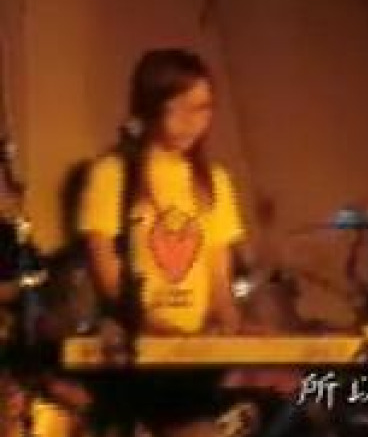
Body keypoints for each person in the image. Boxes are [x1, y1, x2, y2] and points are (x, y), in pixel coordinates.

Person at [79, 48, 245, 436]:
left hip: (196, 354)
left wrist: (228, 324)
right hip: (138, 353)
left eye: (203, 109)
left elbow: (219, 275)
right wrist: (153, 326)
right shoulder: (113, 174)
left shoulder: (214, 181)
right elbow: (105, 267)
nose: (193, 122)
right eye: (180, 108)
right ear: (151, 106)